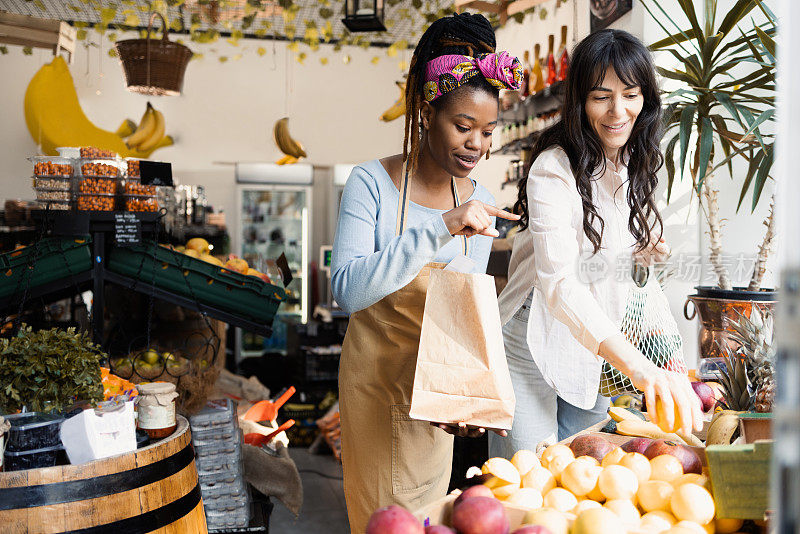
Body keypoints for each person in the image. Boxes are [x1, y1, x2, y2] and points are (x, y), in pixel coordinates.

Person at [331, 13, 522, 532]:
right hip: (375, 389)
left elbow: (463, 311)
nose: (476, 144)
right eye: (462, 127)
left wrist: (463, 391)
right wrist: (439, 228)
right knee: (382, 521)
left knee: (430, 518)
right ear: (426, 111)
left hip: (434, 398)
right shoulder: (371, 184)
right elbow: (347, 290)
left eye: (487, 131)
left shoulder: (481, 199)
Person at [489, 29, 703, 458]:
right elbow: (560, 284)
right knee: (531, 470)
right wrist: (641, 370)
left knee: (586, 466)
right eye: (601, 96)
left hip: (597, 338)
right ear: (580, 101)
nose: (617, 111)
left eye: (630, 94)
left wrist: (639, 255)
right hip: (533, 334)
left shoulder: (633, 160)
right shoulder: (554, 169)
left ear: (646, 98)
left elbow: (601, 257)